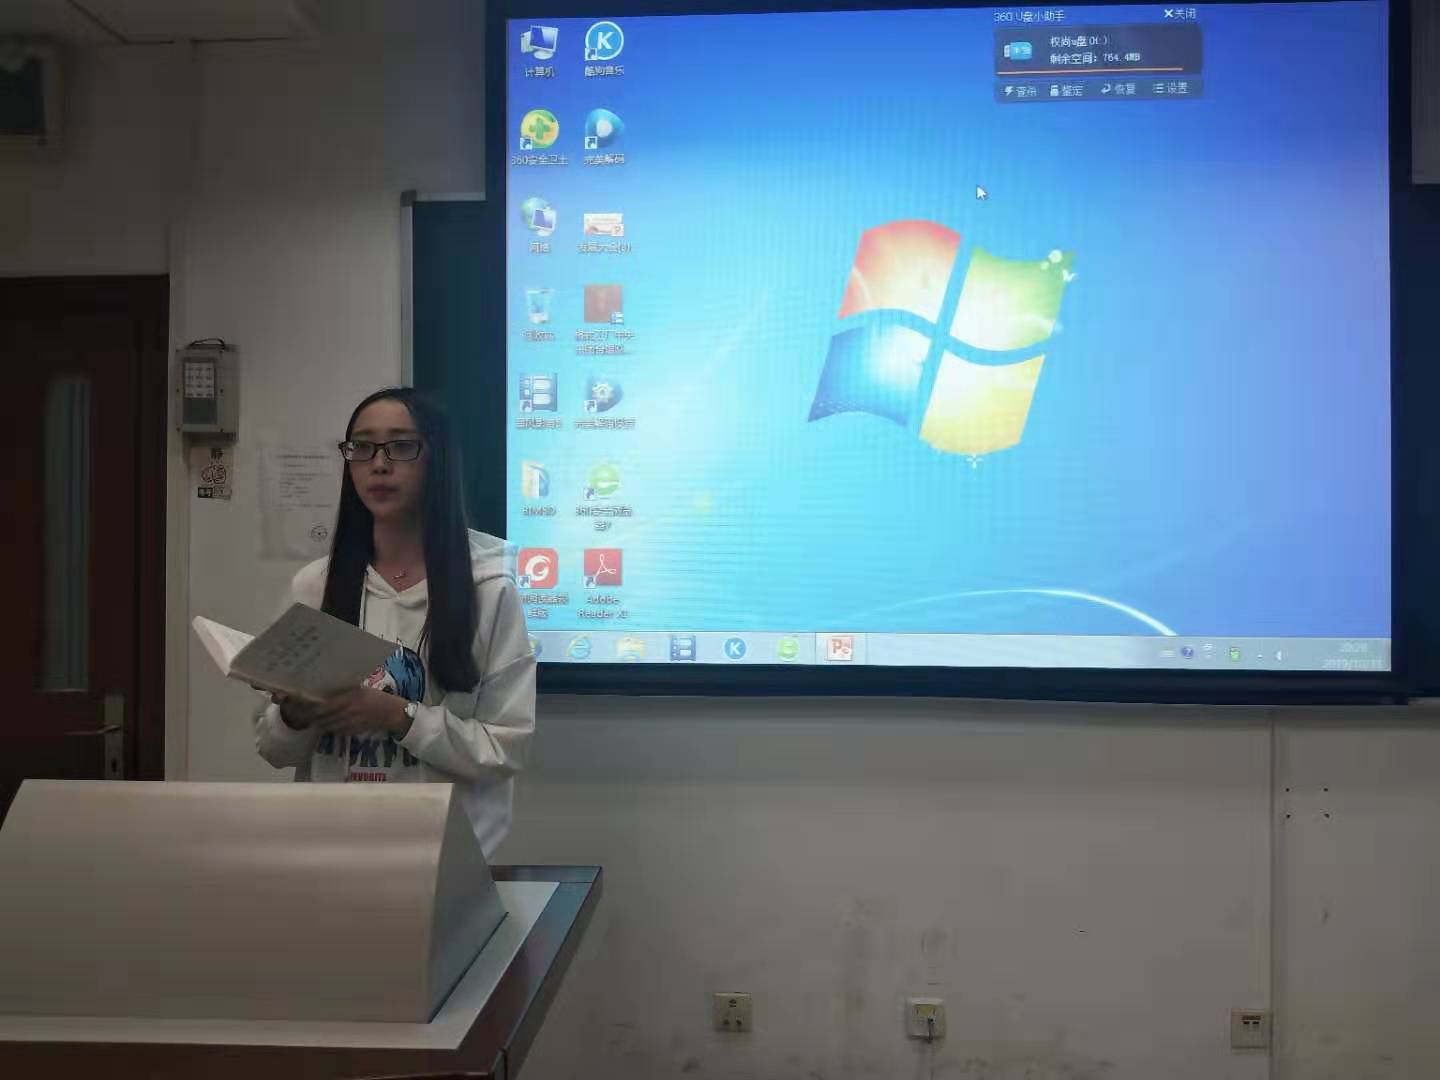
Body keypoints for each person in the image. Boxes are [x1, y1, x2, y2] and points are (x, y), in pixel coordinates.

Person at [255, 387, 535, 857]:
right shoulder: (314, 586)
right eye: (362, 447)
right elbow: (274, 750)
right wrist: (295, 715)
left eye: (401, 447)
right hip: (329, 854)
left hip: (444, 859)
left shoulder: (488, 590)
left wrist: (396, 715)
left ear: (436, 460)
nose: (379, 464)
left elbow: (503, 749)